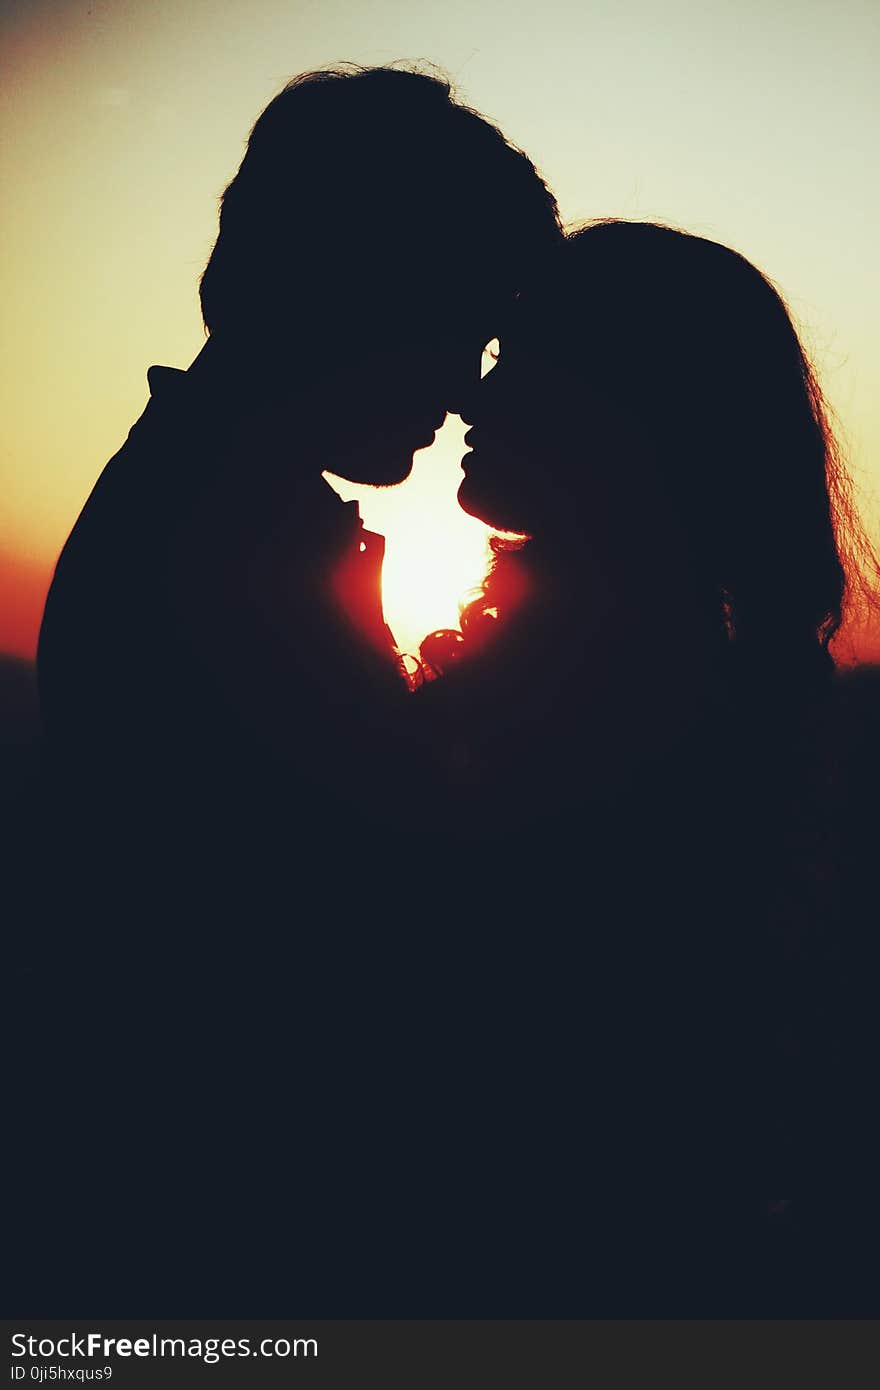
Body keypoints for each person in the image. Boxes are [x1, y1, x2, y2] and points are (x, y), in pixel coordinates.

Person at [15, 66, 563, 1316]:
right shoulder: (228, 546)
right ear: (354, 293)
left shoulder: (213, 505)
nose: (469, 384)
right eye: (456, 325)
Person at [416, 220, 880, 1314]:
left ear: (628, 411)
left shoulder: (608, 688)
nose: (477, 403)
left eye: (521, 366)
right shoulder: (667, 660)